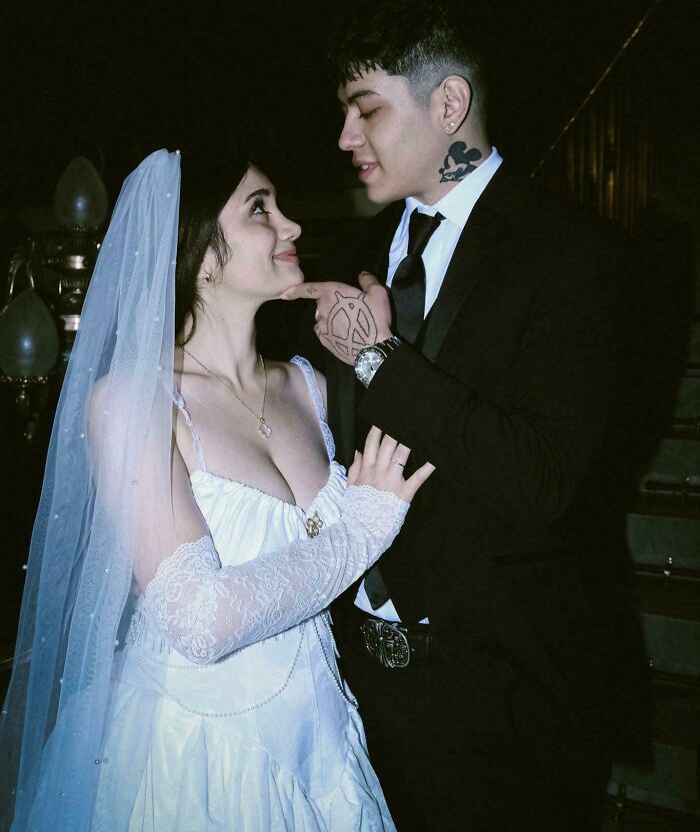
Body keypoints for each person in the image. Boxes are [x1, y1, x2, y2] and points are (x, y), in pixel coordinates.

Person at [282, 0, 649, 832]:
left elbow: (540, 479)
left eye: (367, 109)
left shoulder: (571, 250)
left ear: (449, 104)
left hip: (504, 707)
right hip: (352, 702)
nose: (344, 137)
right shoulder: (352, 255)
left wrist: (378, 360)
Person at [0, 148, 435, 831]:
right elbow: (199, 620)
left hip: (322, 739)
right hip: (198, 758)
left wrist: (373, 348)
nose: (292, 225)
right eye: (261, 209)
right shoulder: (136, 401)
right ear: (202, 256)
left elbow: (412, 505)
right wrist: (357, 533)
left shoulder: (309, 386)